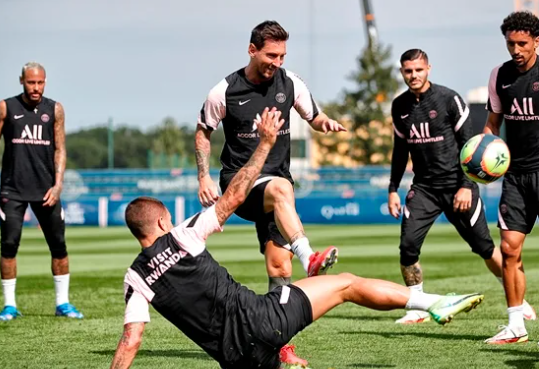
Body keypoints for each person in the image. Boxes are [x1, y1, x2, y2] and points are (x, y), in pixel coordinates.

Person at [110, 108, 485, 369]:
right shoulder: (183, 235)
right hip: (262, 319)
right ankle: (433, 302)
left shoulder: (135, 279)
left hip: (236, 360)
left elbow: (131, 341)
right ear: (161, 222)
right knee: (346, 285)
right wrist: (265, 144)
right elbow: (234, 196)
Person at [195, 20, 346, 293]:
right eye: (271, 55)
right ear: (252, 50)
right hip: (239, 183)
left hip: (278, 187)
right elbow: (203, 131)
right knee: (281, 188)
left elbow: (314, 116)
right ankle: (309, 258)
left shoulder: (290, 83)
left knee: (280, 266)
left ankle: (277, 333)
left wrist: (325, 123)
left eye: (282, 56)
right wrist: (203, 177)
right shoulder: (224, 91)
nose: (277, 62)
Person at [388, 49, 535, 325]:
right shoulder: (399, 107)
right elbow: (399, 151)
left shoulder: (448, 99)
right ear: (402, 72)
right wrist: (393, 188)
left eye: (418, 70)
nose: (413, 76)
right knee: (407, 247)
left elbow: (472, 143)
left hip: (458, 186)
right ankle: (418, 306)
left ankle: (518, 297)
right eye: (408, 71)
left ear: (428, 68)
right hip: (424, 189)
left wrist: (466, 185)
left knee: (485, 247)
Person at [0, 62, 82, 321]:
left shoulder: (54, 109)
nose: (35, 88)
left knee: (59, 246)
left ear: (45, 82)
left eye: (40, 82)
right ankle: (10, 305)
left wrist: (58, 185)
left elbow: (60, 148)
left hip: (47, 191)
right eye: (31, 82)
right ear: (21, 81)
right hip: (12, 190)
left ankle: (63, 304)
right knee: (9, 246)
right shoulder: (6, 107)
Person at [484, 11, 539, 344]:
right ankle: (516, 324)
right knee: (509, 247)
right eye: (510, 43)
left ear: (536, 41)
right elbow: (493, 123)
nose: (516, 50)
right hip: (516, 176)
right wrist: (486, 152)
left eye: (522, 43)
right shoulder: (499, 76)